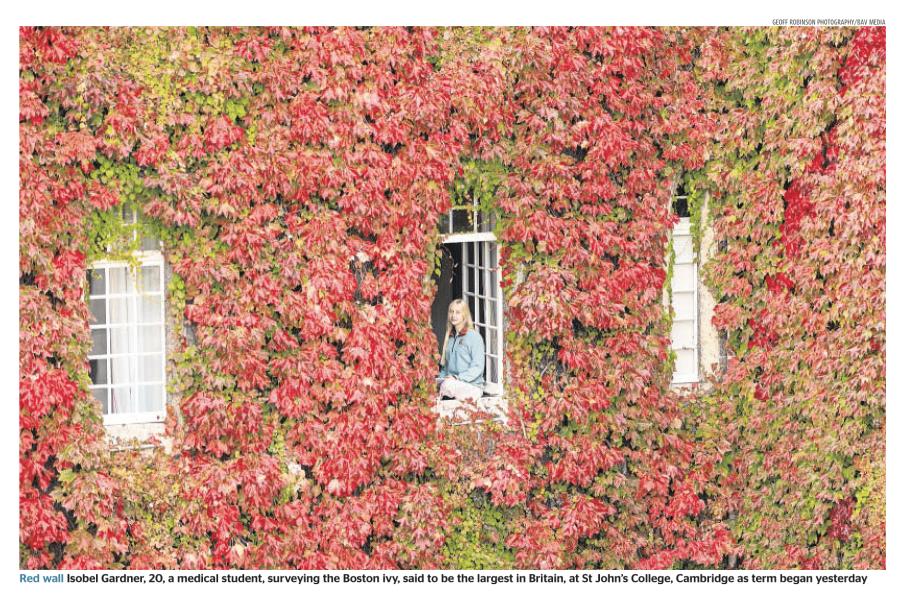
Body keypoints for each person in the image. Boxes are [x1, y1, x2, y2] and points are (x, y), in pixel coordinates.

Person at [436, 299, 485, 401]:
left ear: (464, 315)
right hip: (453, 384)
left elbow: (478, 367)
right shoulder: (450, 338)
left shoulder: (474, 337)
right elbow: (446, 368)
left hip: (472, 386)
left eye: (458, 312)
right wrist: (439, 380)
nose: (453, 315)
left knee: (447, 386)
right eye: (451, 312)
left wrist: (457, 378)